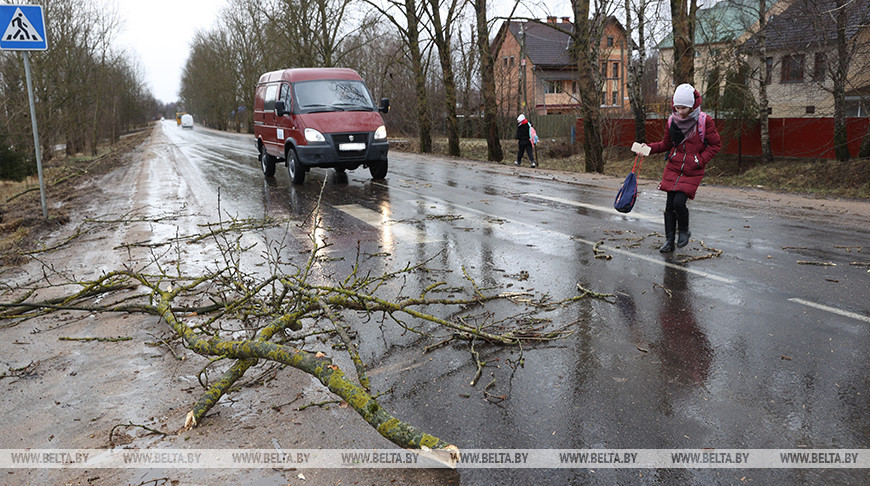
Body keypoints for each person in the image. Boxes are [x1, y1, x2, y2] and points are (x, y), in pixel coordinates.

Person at [642, 83, 721, 252]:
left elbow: (715, 145)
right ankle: (669, 240)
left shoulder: (704, 121)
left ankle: (684, 230)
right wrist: (647, 149)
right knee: (669, 205)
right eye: (677, 107)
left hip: (692, 170)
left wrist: (699, 160)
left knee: (679, 202)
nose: (680, 111)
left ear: (692, 105)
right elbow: (665, 144)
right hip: (674, 167)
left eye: (683, 108)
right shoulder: (672, 121)